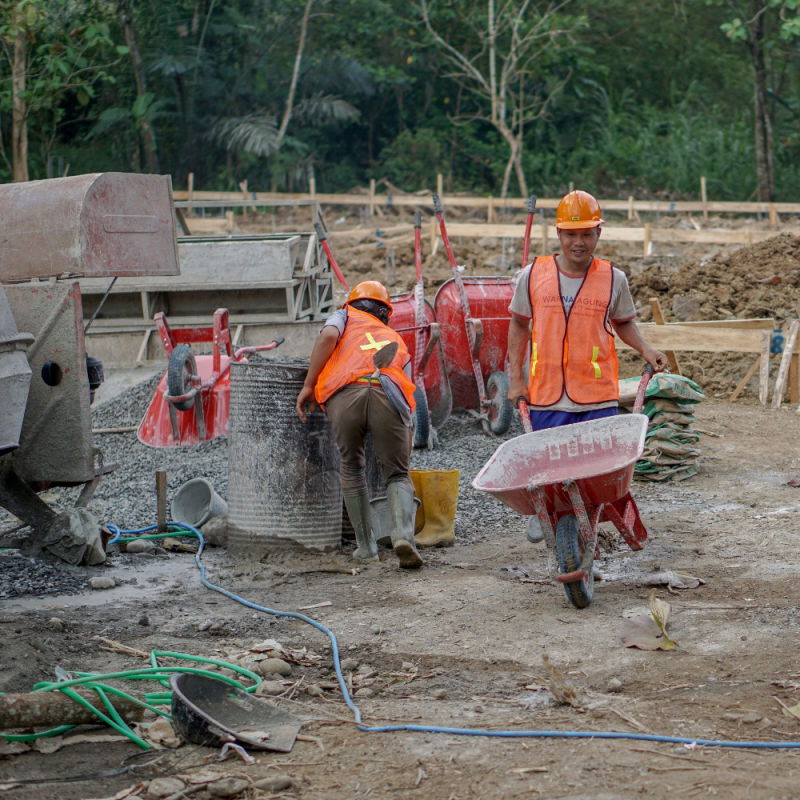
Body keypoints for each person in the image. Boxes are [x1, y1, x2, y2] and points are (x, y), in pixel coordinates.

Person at [506, 189, 667, 540]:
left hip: (597, 397)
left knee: (595, 478)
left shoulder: (614, 279)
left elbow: (623, 322)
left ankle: (585, 529)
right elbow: (518, 325)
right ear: (559, 234)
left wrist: (645, 348)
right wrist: (514, 379)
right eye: (570, 234)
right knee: (551, 475)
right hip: (547, 396)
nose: (578, 242)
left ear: (599, 233)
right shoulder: (532, 276)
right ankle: (549, 511)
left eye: (586, 234)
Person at [296, 280, 423, 568]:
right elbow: (408, 387)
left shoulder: (344, 316)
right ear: (384, 312)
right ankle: (404, 537)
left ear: (353, 303)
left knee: (352, 466)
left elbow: (328, 336)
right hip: (387, 393)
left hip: (345, 396)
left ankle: (366, 546)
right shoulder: (391, 335)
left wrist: (308, 384)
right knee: (398, 473)